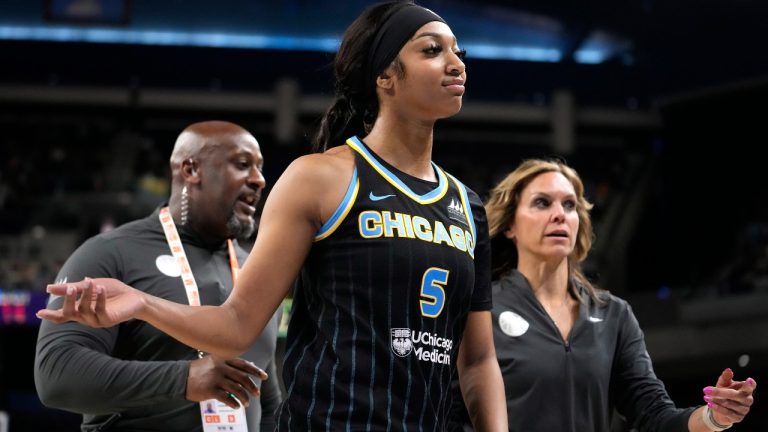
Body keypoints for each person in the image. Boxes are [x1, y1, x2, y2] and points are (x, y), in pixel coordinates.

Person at [37, 2, 507, 431]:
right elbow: (238, 323)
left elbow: (478, 361)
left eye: (457, 51)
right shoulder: (321, 178)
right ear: (386, 76)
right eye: (432, 50)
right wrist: (141, 303)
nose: (456, 63)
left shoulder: (467, 206)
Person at [451, 159, 757, 431]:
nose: (559, 214)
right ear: (509, 226)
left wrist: (714, 417)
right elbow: (447, 411)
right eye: (542, 203)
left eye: (569, 205)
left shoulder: (614, 314)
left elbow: (652, 414)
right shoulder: (481, 307)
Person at [34, 120, 283, 432]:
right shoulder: (109, 253)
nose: (259, 180)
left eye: (260, 168)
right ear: (191, 170)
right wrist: (184, 379)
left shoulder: (256, 274)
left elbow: (267, 400)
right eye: (243, 164)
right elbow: (57, 376)